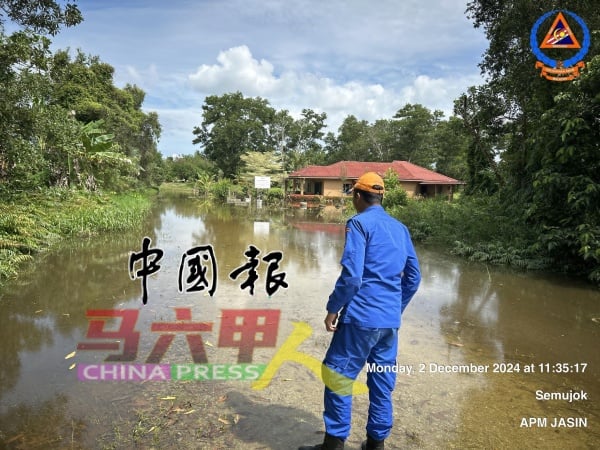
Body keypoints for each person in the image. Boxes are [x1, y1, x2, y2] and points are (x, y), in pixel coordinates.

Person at [299, 172, 421, 450]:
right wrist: (394, 308)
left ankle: (334, 444)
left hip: (361, 318)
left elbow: (352, 277)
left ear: (357, 196)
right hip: (389, 322)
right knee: (381, 379)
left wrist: (333, 308)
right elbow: (413, 278)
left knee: (338, 373)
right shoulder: (400, 228)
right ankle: (375, 444)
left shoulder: (359, 223)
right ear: (380, 196)